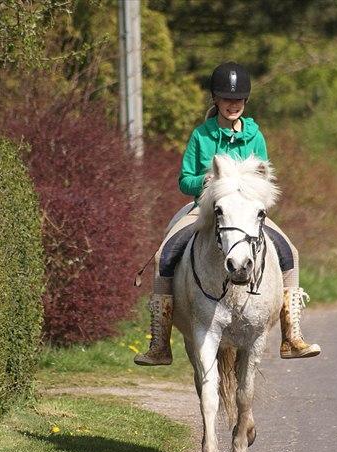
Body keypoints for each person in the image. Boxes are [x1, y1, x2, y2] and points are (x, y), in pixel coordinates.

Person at [134, 61, 321, 366]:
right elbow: (184, 180)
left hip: (245, 215)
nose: (233, 105)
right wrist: (205, 181)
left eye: (238, 100)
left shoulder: (255, 137)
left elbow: (264, 180)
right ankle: (159, 341)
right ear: (216, 101)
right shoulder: (201, 136)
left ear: (244, 102)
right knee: (163, 256)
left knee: (291, 253)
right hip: (205, 210)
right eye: (226, 99)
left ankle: (291, 335)